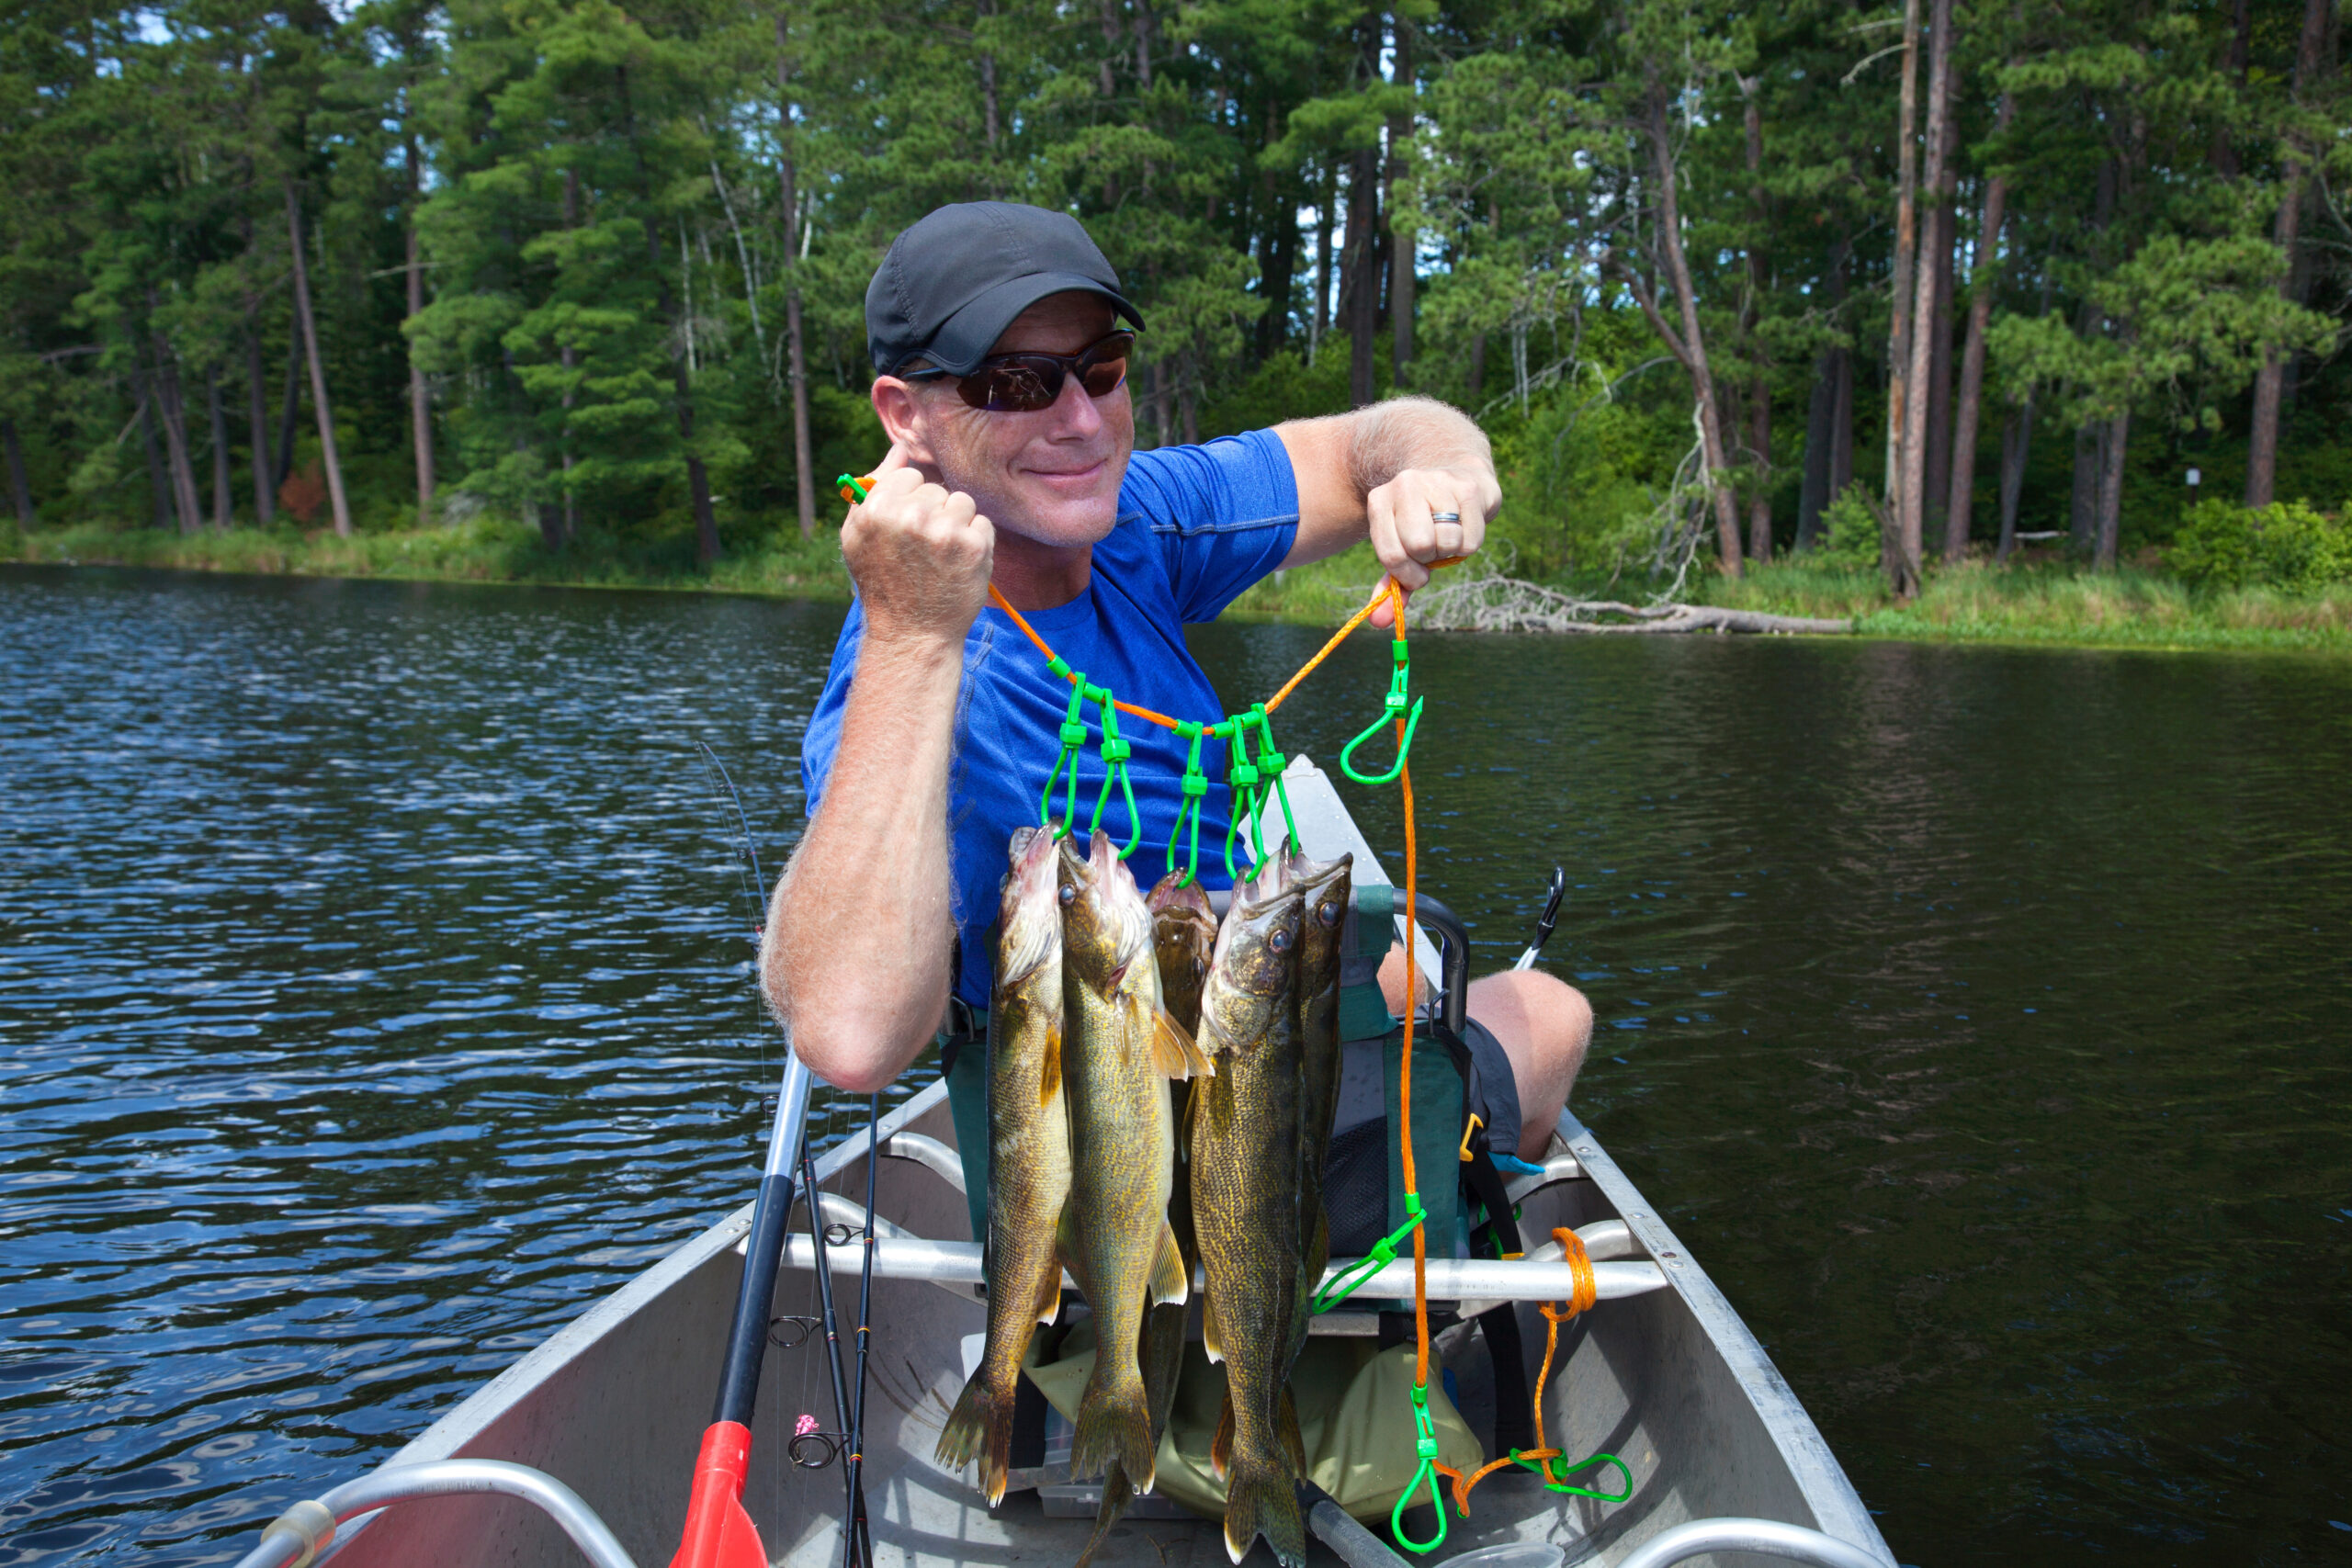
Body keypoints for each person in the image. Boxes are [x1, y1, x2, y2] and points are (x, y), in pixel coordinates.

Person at [763, 201, 1589, 1164]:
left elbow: (1370, 441)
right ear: (906, 416)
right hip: (1140, 1140)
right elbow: (849, 1041)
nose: (1078, 420)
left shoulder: (1124, 517)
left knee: (1401, 965)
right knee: (1549, 1013)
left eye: (1099, 367)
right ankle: (1417, 1244)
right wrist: (908, 635)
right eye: (1016, 382)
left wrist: (1437, 477)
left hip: (1229, 1002)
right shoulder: (914, 661)